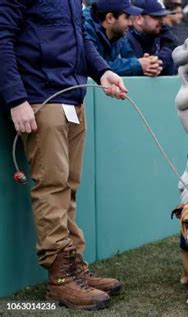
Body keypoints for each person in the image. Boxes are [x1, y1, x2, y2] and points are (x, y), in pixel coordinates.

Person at [0, 0, 128, 310]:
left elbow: (80, 38)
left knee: (68, 187)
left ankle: (74, 270)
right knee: (53, 187)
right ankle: (60, 281)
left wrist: (103, 70)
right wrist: (16, 98)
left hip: (72, 98)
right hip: (42, 99)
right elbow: (1, 36)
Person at [84, 0, 161, 76]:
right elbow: (94, 67)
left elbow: (130, 58)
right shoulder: (84, 30)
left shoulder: (119, 34)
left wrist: (148, 65)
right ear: (110, 18)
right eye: (127, 18)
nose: (130, 23)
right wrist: (138, 65)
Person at [128, 0, 178, 76]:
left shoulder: (162, 32)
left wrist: (158, 61)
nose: (163, 22)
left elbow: (171, 46)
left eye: (162, 17)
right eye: (157, 17)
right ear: (139, 19)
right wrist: (144, 65)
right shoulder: (123, 37)